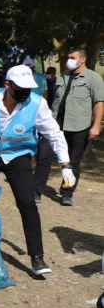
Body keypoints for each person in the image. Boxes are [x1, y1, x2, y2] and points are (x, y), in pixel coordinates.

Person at [0, 66, 74, 276]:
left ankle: (37, 257)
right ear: (7, 84)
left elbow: (54, 134)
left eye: (29, 88)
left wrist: (65, 165)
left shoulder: (37, 104)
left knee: (28, 203)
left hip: (17, 157)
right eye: (21, 87)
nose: (26, 92)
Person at [33, 48, 104, 206]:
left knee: (73, 161)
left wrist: (96, 125)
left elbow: (99, 102)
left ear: (83, 59)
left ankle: (67, 193)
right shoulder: (62, 77)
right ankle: (36, 191)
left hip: (79, 125)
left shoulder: (94, 78)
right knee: (43, 157)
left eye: (72, 57)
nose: (68, 60)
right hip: (55, 123)